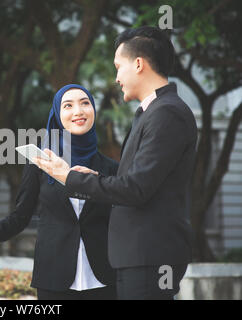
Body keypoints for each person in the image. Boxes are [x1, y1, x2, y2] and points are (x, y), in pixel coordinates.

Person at [33, 26, 197, 300]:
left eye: (118, 67)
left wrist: (68, 177)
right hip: (137, 257)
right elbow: (136, 182)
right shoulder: (152, 112)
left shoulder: (167, 113)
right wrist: (93, 176)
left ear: (138, 64)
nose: (117, 77)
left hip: (149, 256)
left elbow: (135, 189)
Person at [0, 84, 118, 300]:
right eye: (68, 105)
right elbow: (20, 216)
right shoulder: (40, 164)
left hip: (105, 279)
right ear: (57, 114)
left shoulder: (111, 168)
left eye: (85, 103)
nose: (78, 111)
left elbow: (123, 218)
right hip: (54, 278)